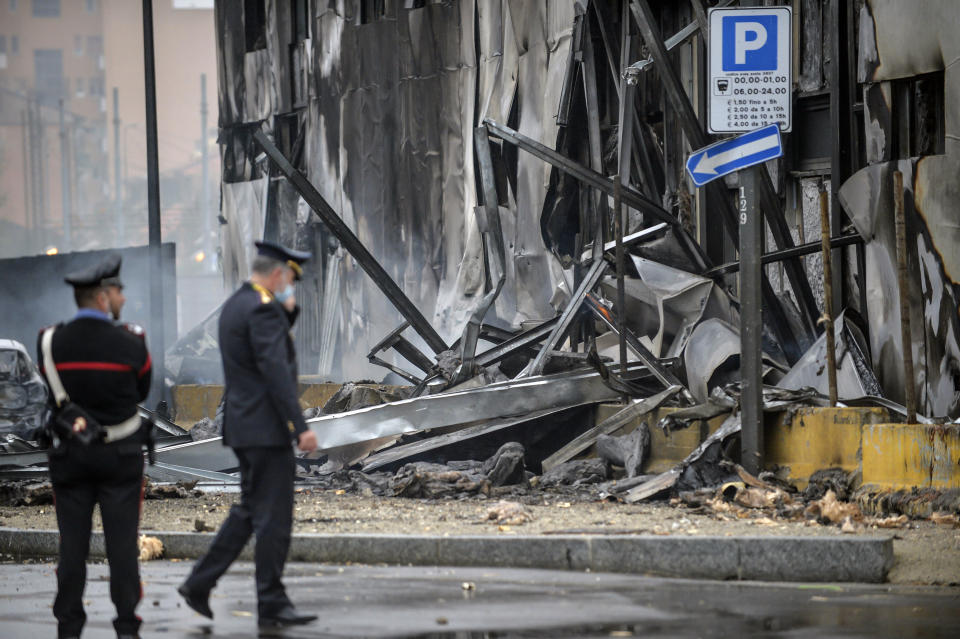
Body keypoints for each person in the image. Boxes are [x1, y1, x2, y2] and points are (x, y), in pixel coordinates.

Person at [178, 241, 319, 630]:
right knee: (274, 518)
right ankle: (270, 601)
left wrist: (285, 315)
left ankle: (199, 583)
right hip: (266, 429)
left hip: (244, 427)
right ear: (279, 274)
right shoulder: (262, 308)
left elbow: (257, 355)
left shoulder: (239, 305)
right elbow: (274, 370)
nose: (290, 285)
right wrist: (301, 426)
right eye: (290, 278)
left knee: (251, 511)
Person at [37, 254, 152, 639]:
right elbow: (142, 390)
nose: (122, 298)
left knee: (72, 548)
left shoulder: (50, 341)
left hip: (70, 457)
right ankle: (126, 627)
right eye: (118, 291)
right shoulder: (132, 341)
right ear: (103, 297)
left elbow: (55, 400)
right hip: (120, 458)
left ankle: (69, 627)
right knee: (122, 549)